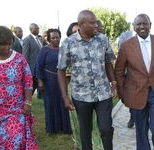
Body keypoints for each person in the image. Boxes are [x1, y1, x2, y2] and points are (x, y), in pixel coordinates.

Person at [57, 10, 116, 150]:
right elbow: (60, 70)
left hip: (103, 93)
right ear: (82, 24)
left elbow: (108, 62)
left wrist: (114, 83)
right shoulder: (68, 43)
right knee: (85, 132)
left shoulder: (102, 39)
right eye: (92, 22)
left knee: (106, 129)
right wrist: (65, 97)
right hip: (81, 96)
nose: (96, 25)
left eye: (96, 22)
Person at [115, 14, 154, 150]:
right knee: (141, 130)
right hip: (135, 93)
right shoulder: (126, 46)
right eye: (138, 24)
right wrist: (123, 93)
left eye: (144, 23)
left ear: (150, 25)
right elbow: (119, 71)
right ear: (134, 26)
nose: (142, 27)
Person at [0, 26, 39, 150]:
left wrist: (28, 102)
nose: (8, 47)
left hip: (16, 109)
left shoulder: (19, 59)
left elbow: (28, 80)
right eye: (4, 45)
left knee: (15, 141)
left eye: (10, 44)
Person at [36, 28, 72, 134]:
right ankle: (52, 128)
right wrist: (40, 81)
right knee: (51, 103)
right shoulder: (44, 50)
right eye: (53, 38)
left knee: (63, 101)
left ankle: (65, 127)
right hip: (49, 80)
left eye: (57, 37)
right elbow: (39, 66)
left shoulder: (63, 49)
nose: (56, 39)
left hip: (62, 80)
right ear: (49, 39)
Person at [117, 29, 136, 128]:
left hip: (143, 75)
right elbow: (121, 52)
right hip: (128, 74)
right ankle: (133, 115)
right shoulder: (125, 36)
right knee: (131, 97)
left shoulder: (148, 36)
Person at [23, 23, 43, 95]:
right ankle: (26, 99)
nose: (38, 30)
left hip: (40, 67)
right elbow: (25, 56)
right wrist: (27, 70)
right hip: (32, 69)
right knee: (32, 87)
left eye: (38, 28)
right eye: (36, 28)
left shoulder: (40, 39)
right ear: (31, 29)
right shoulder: (27, 40)